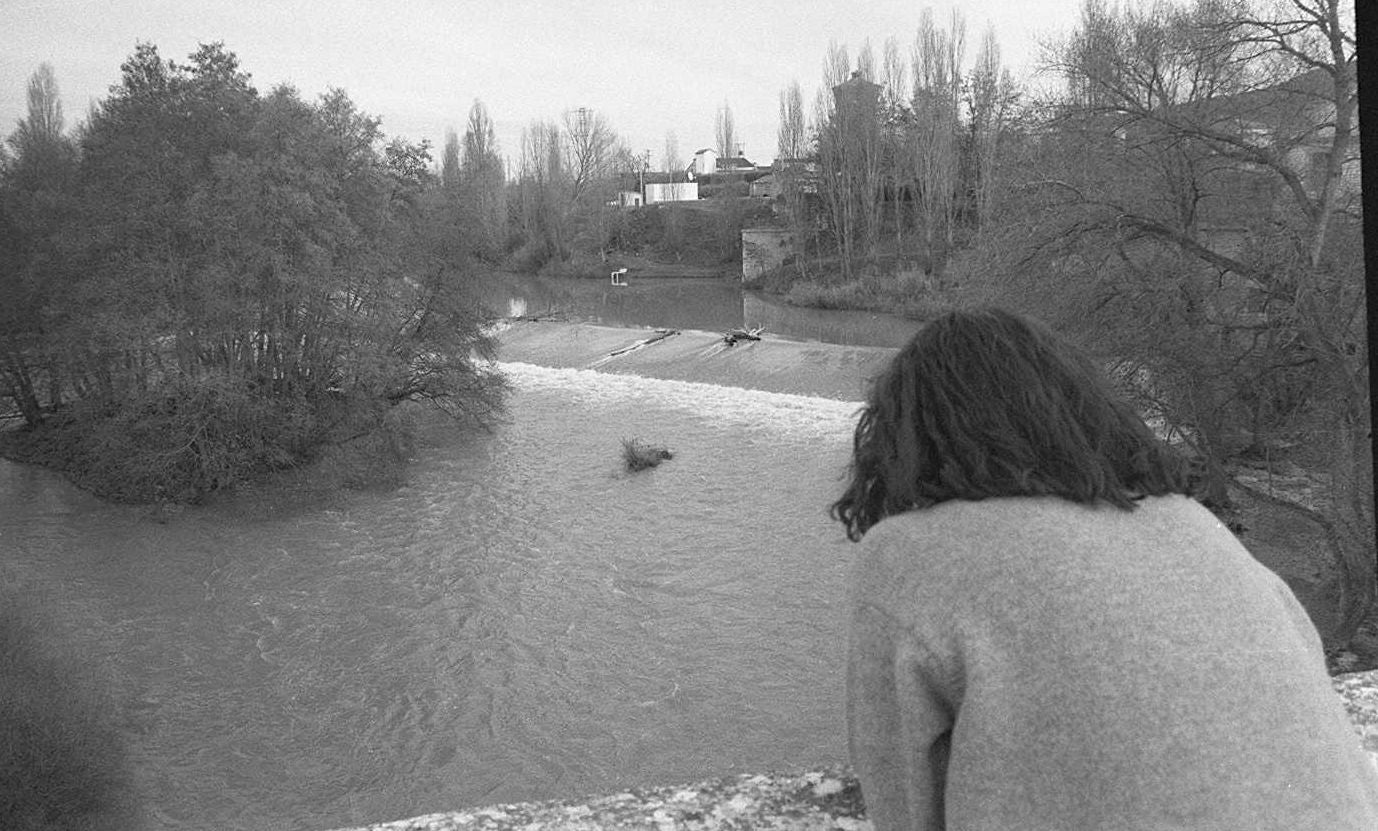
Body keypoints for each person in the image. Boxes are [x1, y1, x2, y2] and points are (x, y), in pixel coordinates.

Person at [832, 307, 1378, 830]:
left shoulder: (908, 552)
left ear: (909, 437)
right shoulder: (1193, 525)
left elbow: (903, 802)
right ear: (1085, 411)